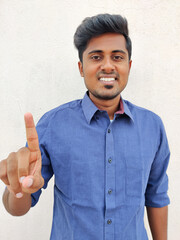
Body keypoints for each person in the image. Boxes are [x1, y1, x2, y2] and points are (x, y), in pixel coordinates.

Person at [0, 13, 170, 240]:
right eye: (96, 57)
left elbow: (156, 196)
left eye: (117, 57)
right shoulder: (53, 125)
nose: (108, 66)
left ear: (128, 66)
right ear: (81, 68)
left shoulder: (152, 126)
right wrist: (18, 189)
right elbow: (16, 207)